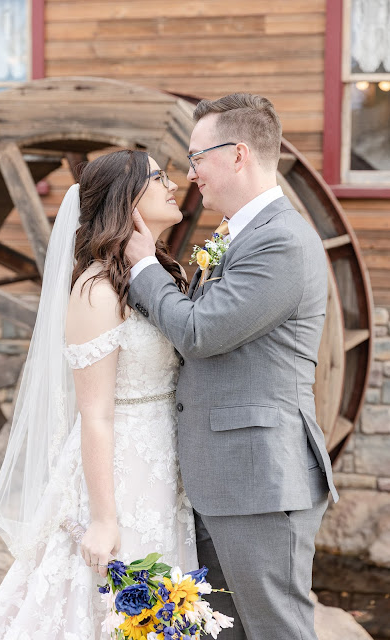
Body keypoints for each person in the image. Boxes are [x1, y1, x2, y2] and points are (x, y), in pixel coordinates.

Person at [125, 93, 339, 640]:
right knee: (223, 631)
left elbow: (200, 332)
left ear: (238, 154)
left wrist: (143, 266)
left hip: (261, 479)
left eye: (197, 156)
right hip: (223, 475)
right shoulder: (234, 235)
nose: (190, 171)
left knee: (276, 629)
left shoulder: (282, 241)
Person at [0, 150, 197, 639]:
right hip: (119, 472)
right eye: (159, 177)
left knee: (162, 608)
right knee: (104, 607)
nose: (173, 184)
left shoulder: (159, 276)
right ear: (127, 198)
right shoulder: (96, 291)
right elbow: (95, 415)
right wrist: (103, 518)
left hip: (164, 468)